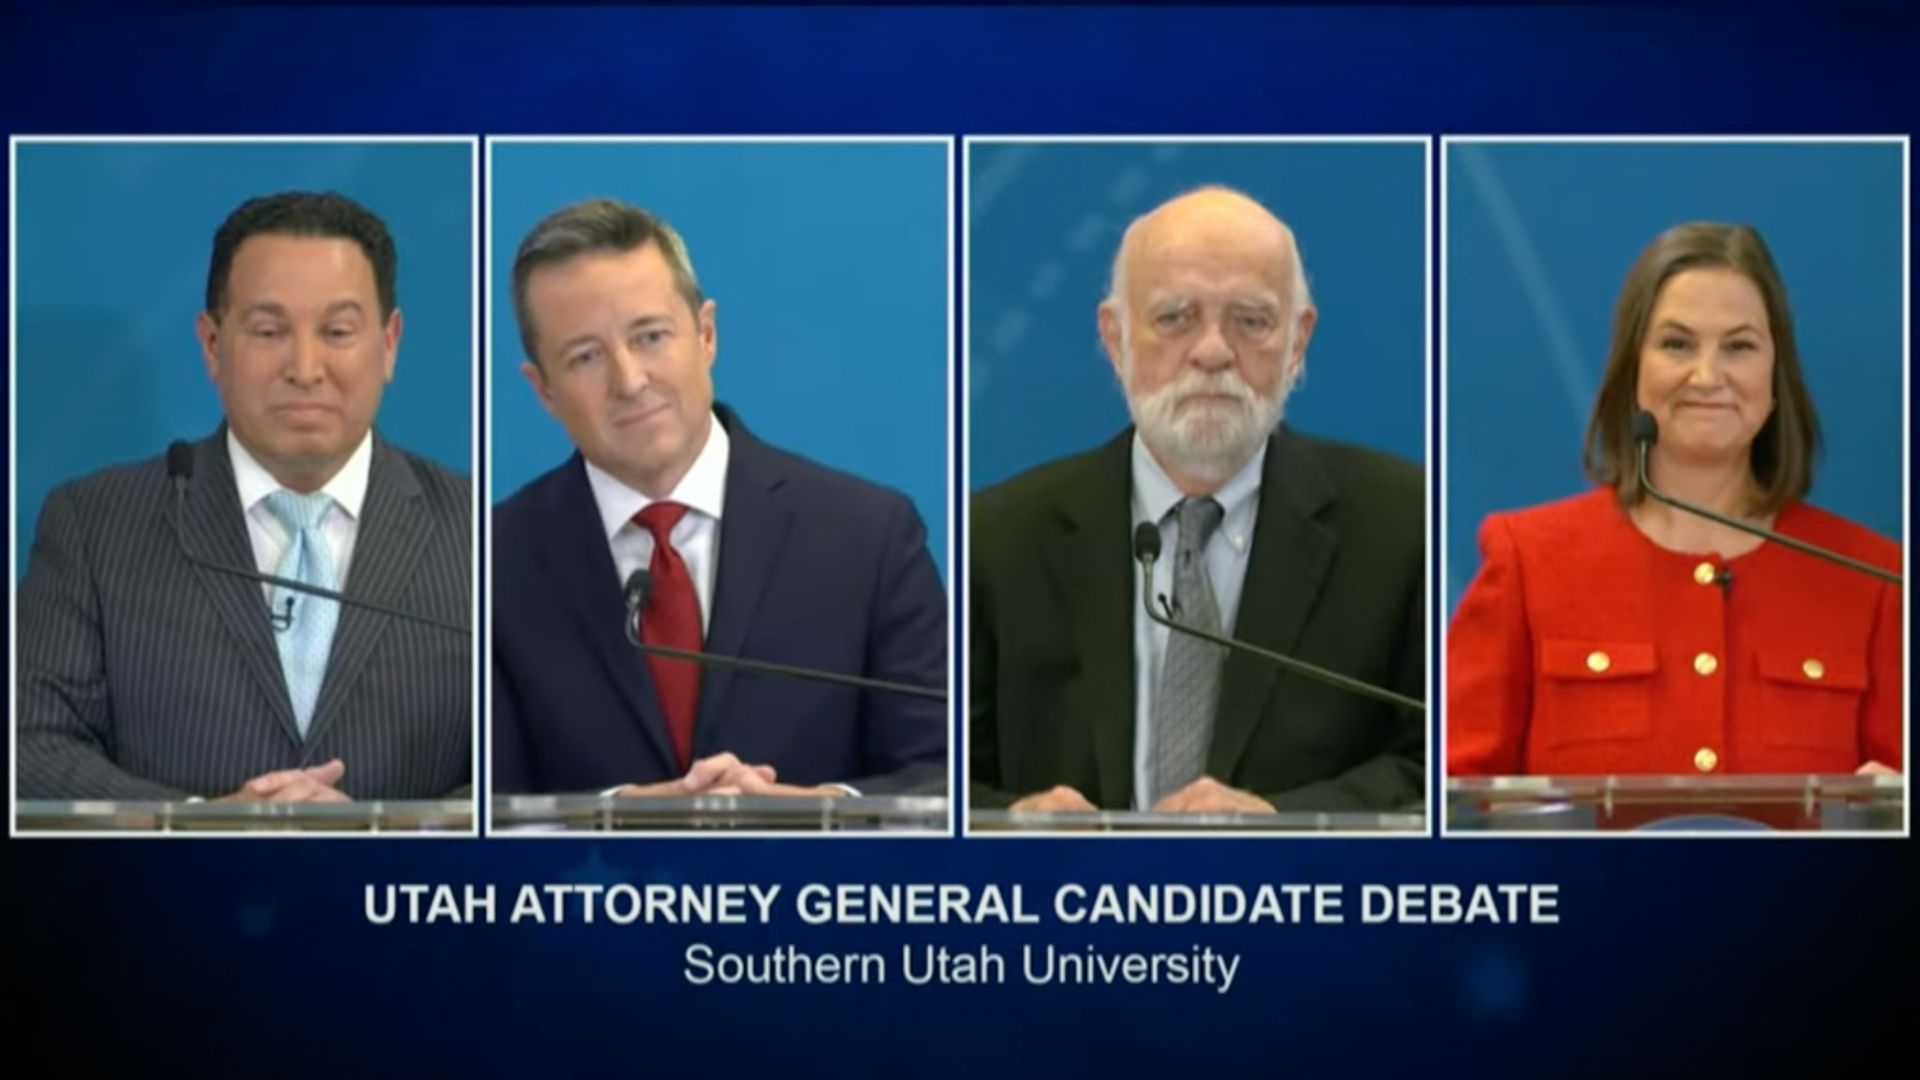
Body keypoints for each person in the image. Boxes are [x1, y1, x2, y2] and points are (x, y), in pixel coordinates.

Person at [969, 186, 1426, 815]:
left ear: (1297, 342)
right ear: (1115, 338)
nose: (1213, 351)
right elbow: (946, 775)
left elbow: (1431, 767)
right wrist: (1009, 823)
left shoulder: (1402, 525)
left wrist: (1278, 823)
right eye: (1174, 318)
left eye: (1251, 321)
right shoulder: (999, 537)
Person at [17, 191, 473, 802]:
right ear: (212, 344)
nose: (305, 368)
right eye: (268, 331)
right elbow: (31, 744)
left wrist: (388, 838)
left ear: (389, 344)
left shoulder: (480, 535)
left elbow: (527, 759)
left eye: (338, 331)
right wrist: (203, 828)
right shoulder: (94, 526)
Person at [491, 198, 947, 797]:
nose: (630, 381)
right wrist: (612, 815)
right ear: (544, 390)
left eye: (650, 336)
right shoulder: (491, 561)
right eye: (586, 357)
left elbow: (941, 772)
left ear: (706, 335)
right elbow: (476, 798)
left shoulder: (868, 536)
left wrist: (820, 814)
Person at [1448, 222, 1902, 777]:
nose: (1707, 376)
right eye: (1676, 344)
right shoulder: (1528, 561)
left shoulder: (1874, 580)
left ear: (1775, 378)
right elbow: (1458, 796)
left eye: (1739, 346)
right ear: (1633, 370)